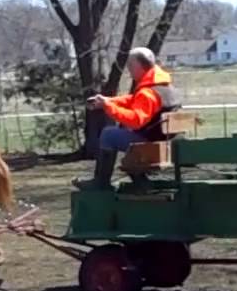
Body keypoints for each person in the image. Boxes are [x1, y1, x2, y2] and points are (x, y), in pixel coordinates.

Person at [74, 47, 182, 190]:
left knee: (108, 135)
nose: (129, 69)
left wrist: (108, 107)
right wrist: (109, 101)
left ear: (139, 66)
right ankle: (140, 180)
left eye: (130, 65)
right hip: (164, 143)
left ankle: (101, 183)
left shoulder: (148, 93)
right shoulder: (164, 86)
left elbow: (136, 120)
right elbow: (134, 100)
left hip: (151, 147)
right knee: (122, 130)